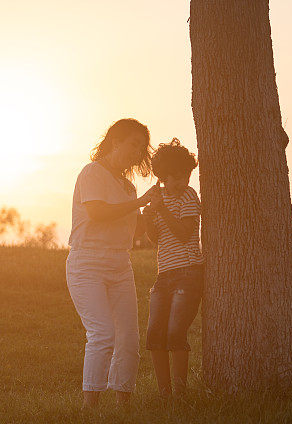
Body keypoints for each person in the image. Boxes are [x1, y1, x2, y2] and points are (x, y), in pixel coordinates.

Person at [65, 118, 160, 407]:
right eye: (133, 144)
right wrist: (141, 202)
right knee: (103, 333)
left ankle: (123, 406)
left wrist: (152, 210)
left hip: (120, 264)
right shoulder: (92, 172)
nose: (137, 152)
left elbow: (133, 231)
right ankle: (89, 407)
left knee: (129, 339)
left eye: (141, 148)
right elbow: (97, 214)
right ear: (115, 141)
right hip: (87, 262)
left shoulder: (128, 188)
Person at [141, 138, 204, 397]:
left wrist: (162, 209)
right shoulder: (161, 198)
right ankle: (164, 393)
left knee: (176, 332)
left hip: (188, 273)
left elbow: (183, 233)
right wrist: (148, 216)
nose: (182, 182)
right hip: (164, 274)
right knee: (155, 334)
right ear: (163, 176)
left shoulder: (189, 196)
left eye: (186, 176)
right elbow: (155, 238)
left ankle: (180, 393)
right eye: (175, 177)